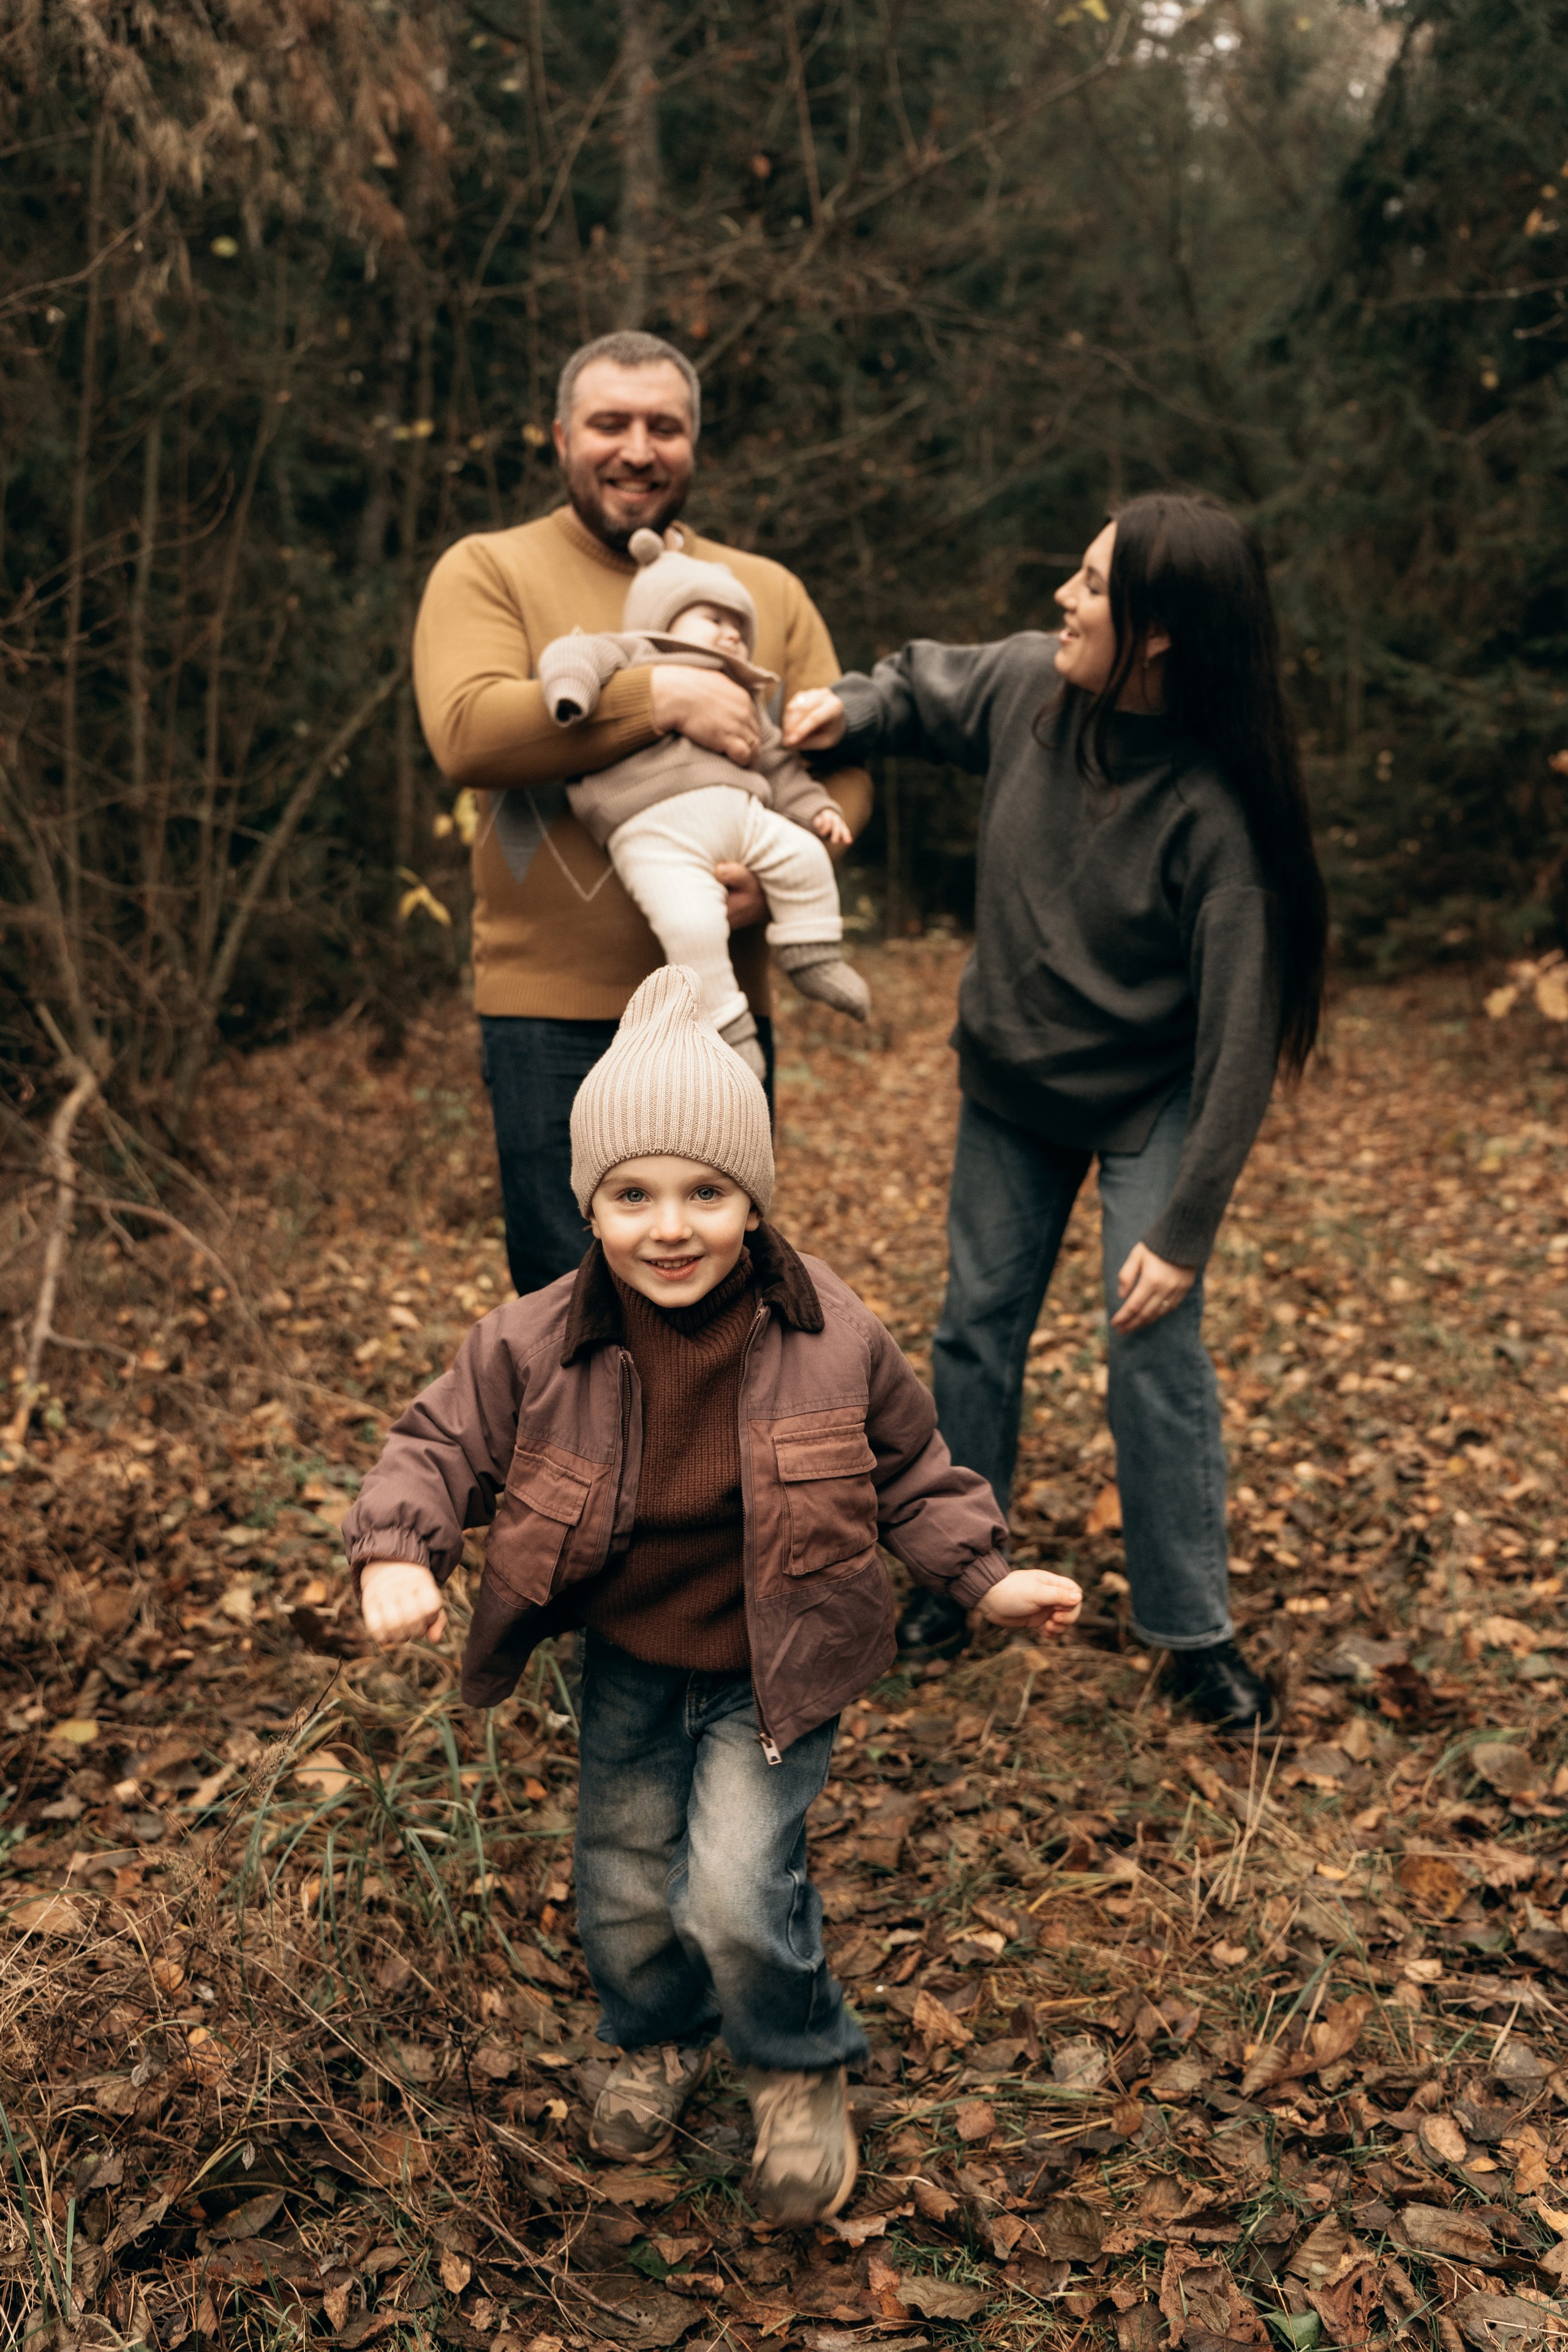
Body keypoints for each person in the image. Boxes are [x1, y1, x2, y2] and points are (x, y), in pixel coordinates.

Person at [342, 966, 1082, 2223]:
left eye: (706, 1191)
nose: (668, 1226)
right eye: (631, 1195)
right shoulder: (528, 1344)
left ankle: (795, 2066)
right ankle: (654, 2031)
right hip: (629, 1655)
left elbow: (911, 1469)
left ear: (753, 1201)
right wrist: (399, 1550)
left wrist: (985, 1574)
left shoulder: (830, 1336)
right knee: (626, 1881)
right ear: (590, 1205)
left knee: (735, 1886)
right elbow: (435, 1446)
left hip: (774, 1660)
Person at [783, 492, 1329, 1732]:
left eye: (1089, 585)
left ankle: (1190, 1634)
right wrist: (852, 706)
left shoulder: (1214, 813)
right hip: (1012, 1089)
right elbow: (922, 687)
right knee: (975, 1327)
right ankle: (951, 1576)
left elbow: (1240, 1043)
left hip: (1149, 1099)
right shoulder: (1032, 689)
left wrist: (1184, 1231)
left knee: (1149, 1341)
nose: (1061, 602)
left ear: (1156, 634)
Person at [412, 330, 872, 1298]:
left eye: (663, 427)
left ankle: (707, 1461)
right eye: (609, 424)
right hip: (550, 1018)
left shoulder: (767, 593)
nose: (637, 449)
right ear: (559, 436)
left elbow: (839, 763)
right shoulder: (489, 569)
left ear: (694, 444)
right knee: (562, 1303)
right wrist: (658, 696)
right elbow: (467, 731)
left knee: (721, 1297)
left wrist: (777, 879)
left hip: (722, 1015)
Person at [537, 526, 869, 1081]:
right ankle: (728, 1032)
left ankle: (813, 954)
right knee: (690, 926)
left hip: (743, 817)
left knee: (806, 857)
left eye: (740, 626)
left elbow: (779, 762)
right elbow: (574, 651)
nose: (733, 635)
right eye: (715, 620)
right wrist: (571, 688)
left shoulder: (743, 692)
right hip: (652, 831)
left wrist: (815, 810)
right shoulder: (634, 654)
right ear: (663, 619)